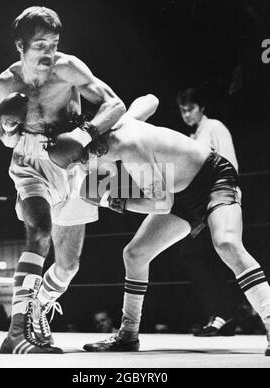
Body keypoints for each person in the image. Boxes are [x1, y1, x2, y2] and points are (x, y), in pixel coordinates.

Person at [66, 94, 270, 356]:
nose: (83, 168)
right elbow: (151, 99)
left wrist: (111, 201)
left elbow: (161, 204)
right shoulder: (116, 128)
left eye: (81, 162)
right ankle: (127, 334)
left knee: (227, 243)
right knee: (135, 254)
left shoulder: (128, 146)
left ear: (92, 149)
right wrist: (125, 115)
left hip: (213, 179)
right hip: (179, 191)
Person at [0, 6, 125, 354]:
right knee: (38, 232)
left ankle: (38, 307)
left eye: (53, 43)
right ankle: (16, 332)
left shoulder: (68, 68)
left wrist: (84, 135)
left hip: (72, 164)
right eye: (40, 45)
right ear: (21, 46)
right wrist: (8, 126)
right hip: (29, 165)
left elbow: (116, 105)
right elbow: (8, 137)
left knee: (68, 265)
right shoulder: (7, 82)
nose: (49, 53)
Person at [176, 87, 239, 336]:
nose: (186, 114)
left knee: (200, 255)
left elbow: (228, 164)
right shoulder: (192, 137)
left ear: (202, 108)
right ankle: (222, 315)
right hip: (198, 204)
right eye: (182, 110)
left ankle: (224, 314)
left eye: (190, 108)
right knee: (197, 256)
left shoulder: (214, 127)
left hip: (218, 199)